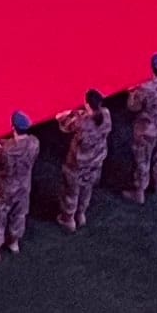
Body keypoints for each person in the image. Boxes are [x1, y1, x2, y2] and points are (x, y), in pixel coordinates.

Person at [0, 115, 41, 257]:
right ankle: (14, 243)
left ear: (13, 127)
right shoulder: (34, 143)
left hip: (5, 188)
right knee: (19, 215)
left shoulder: (7, 150)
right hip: (23, 187)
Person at [56, 92, 114, 229]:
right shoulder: (106, 114)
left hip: (78, 162)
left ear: (87, 104)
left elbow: (65, 126)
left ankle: (68, 219)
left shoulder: (82, 123)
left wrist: (62, 117)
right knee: (87, 188)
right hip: (96, 160)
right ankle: (81, 213)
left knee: (71, 191)